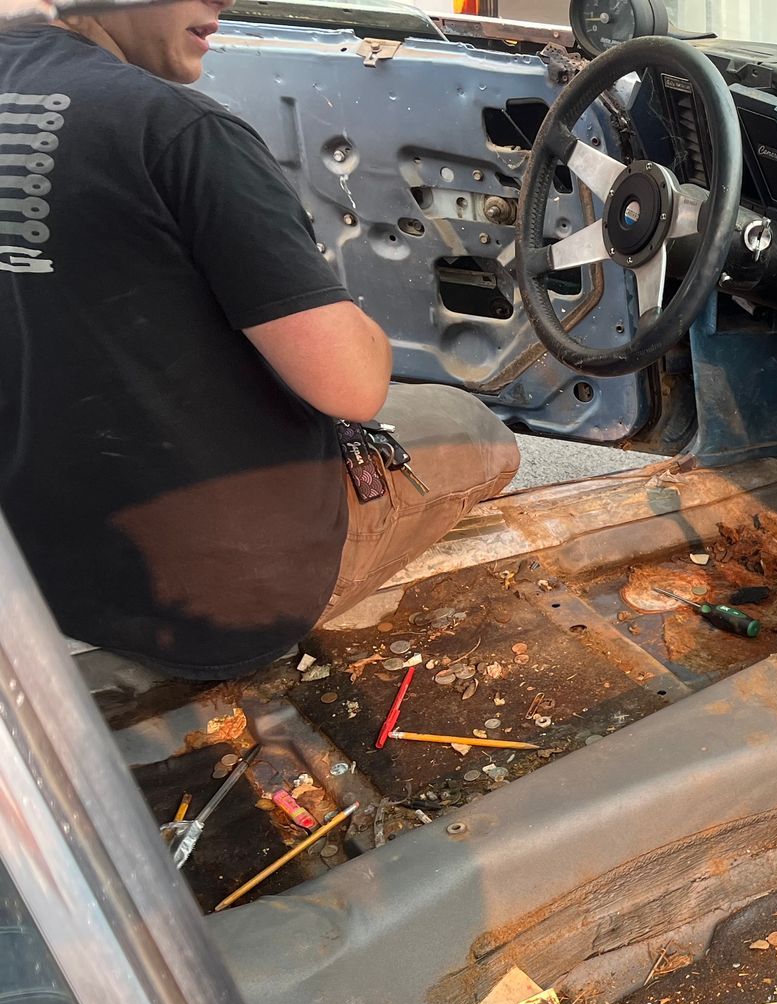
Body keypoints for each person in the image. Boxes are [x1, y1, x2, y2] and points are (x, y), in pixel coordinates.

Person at [0, 0, 519, 679]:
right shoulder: (181, 130)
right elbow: (353, 389)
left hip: (34, 576)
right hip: (217, 608)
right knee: (474, 427)